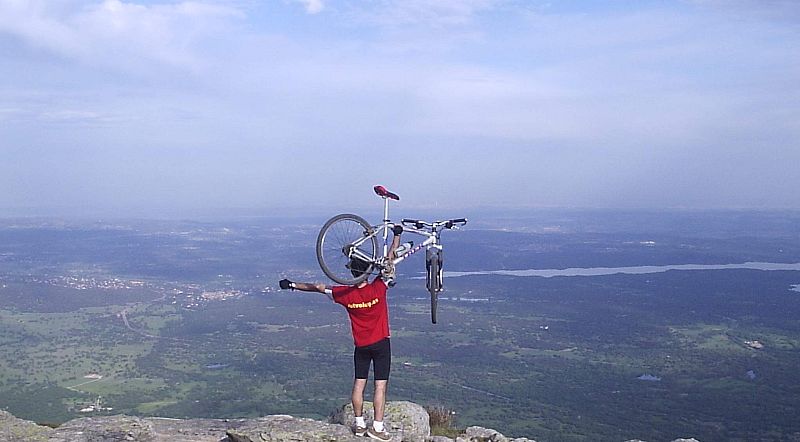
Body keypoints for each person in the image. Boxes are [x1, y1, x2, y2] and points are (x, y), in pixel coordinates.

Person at [279, 225, 403, 441]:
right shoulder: (378, 287)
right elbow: (390, 261)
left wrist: (292, 285)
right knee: (380, 386)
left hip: (361, 345)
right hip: (381, 343)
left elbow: (318, 287)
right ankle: (377, 427)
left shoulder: (344, 293)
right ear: (368, 271)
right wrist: (397, 237)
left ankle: (359, 424)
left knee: (359, 383)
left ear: (352, 274)